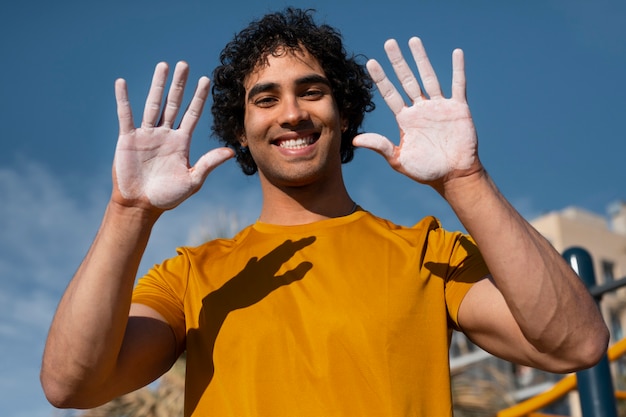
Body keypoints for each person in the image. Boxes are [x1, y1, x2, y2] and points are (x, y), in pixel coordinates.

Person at [41, 7, 609, 416]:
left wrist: (466, 179)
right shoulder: (191, 276)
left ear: (343, 111)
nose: (291, 113)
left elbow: (576, 345)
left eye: (311, 91)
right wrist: (128, 211)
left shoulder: (429, 254)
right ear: (241, 131)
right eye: (265, 98)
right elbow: (70, 385)